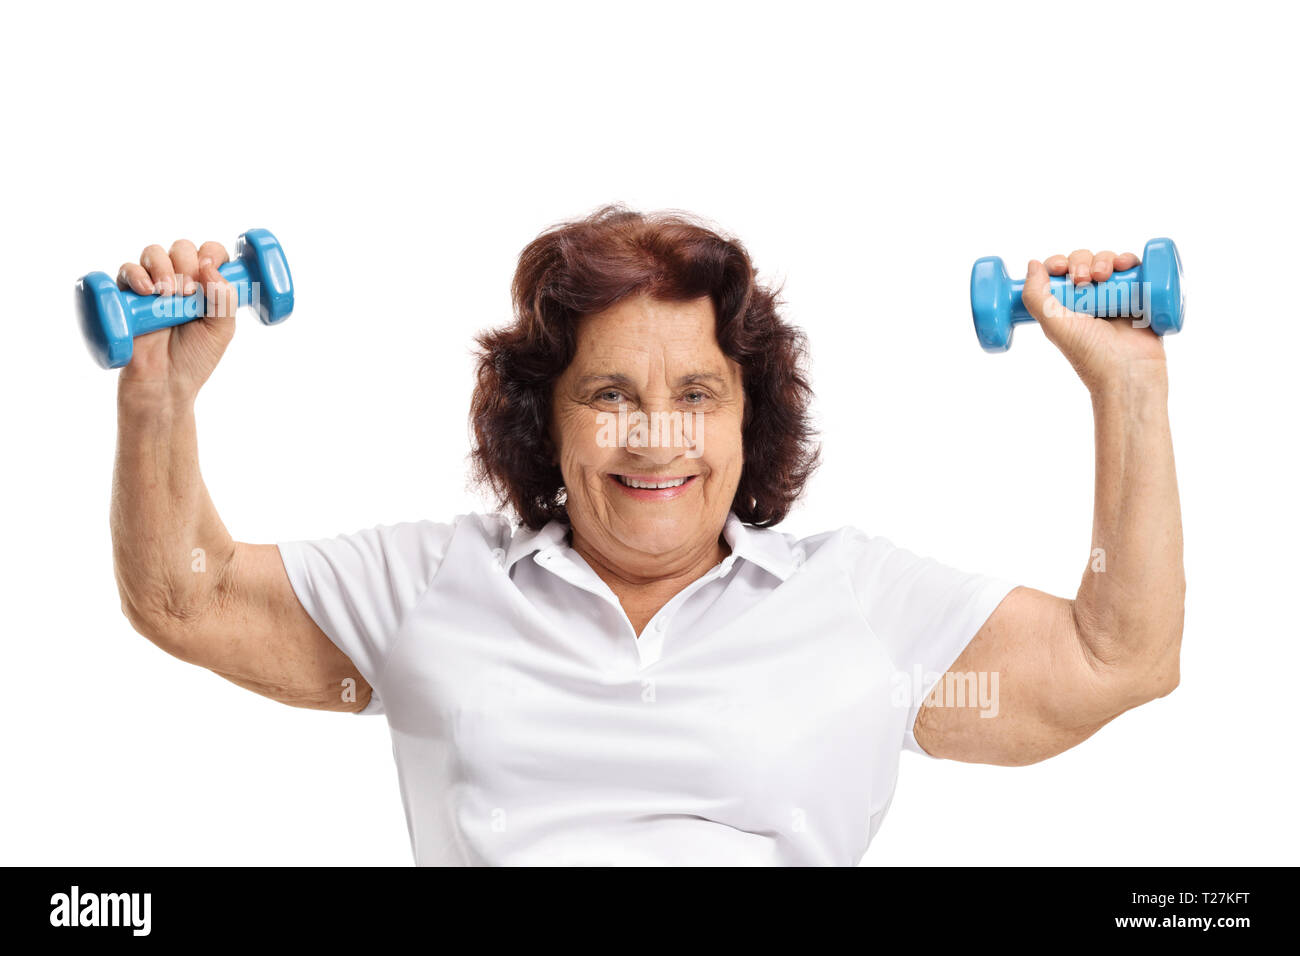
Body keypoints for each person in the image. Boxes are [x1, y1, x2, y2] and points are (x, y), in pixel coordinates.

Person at [109, 204, 1184, 865]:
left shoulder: (855, 606)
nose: (657, 435)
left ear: (747, 420)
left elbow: (1116, 654)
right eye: (610, 393)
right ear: (547, 419)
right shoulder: (432, 584)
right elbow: (186, 594)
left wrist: (1128, 391)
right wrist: (159, 400)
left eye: (699, 393)